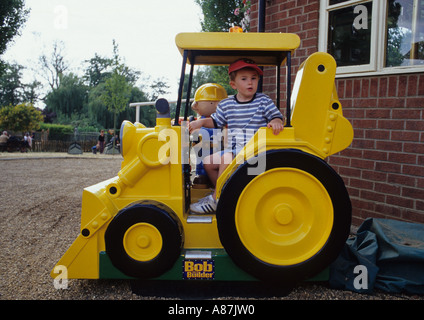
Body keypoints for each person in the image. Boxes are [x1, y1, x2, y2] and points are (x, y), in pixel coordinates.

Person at [188, 58, 284, 214]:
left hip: (255, 151)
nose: (250, 83)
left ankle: (216, 199)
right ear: (233, 84)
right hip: (236, 150)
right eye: (244, 79)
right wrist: (201, 123)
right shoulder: (227, 104)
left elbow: (276, 116)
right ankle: (224, 194)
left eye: (254, 78)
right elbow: (216, 122)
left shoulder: (263, 101)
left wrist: (276, 121)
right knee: (208, 162)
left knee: (226, 157)